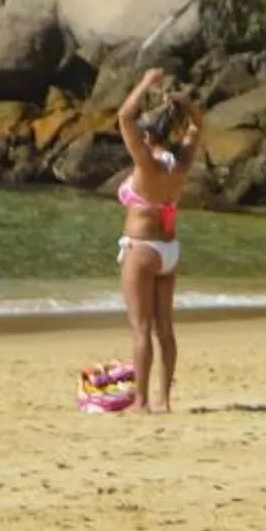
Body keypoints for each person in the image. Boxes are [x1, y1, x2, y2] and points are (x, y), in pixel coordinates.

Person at [112, 68, 197, 413]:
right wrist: (185, 103)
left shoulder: (145, 163)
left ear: (147, 137)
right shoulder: (181, 163)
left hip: (142, 248)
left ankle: (142, 401)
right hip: (169, 250)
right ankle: (165, 399)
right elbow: (197, 127)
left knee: (140, 328)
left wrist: (145, 83)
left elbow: (123, 116)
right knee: (165, 328)